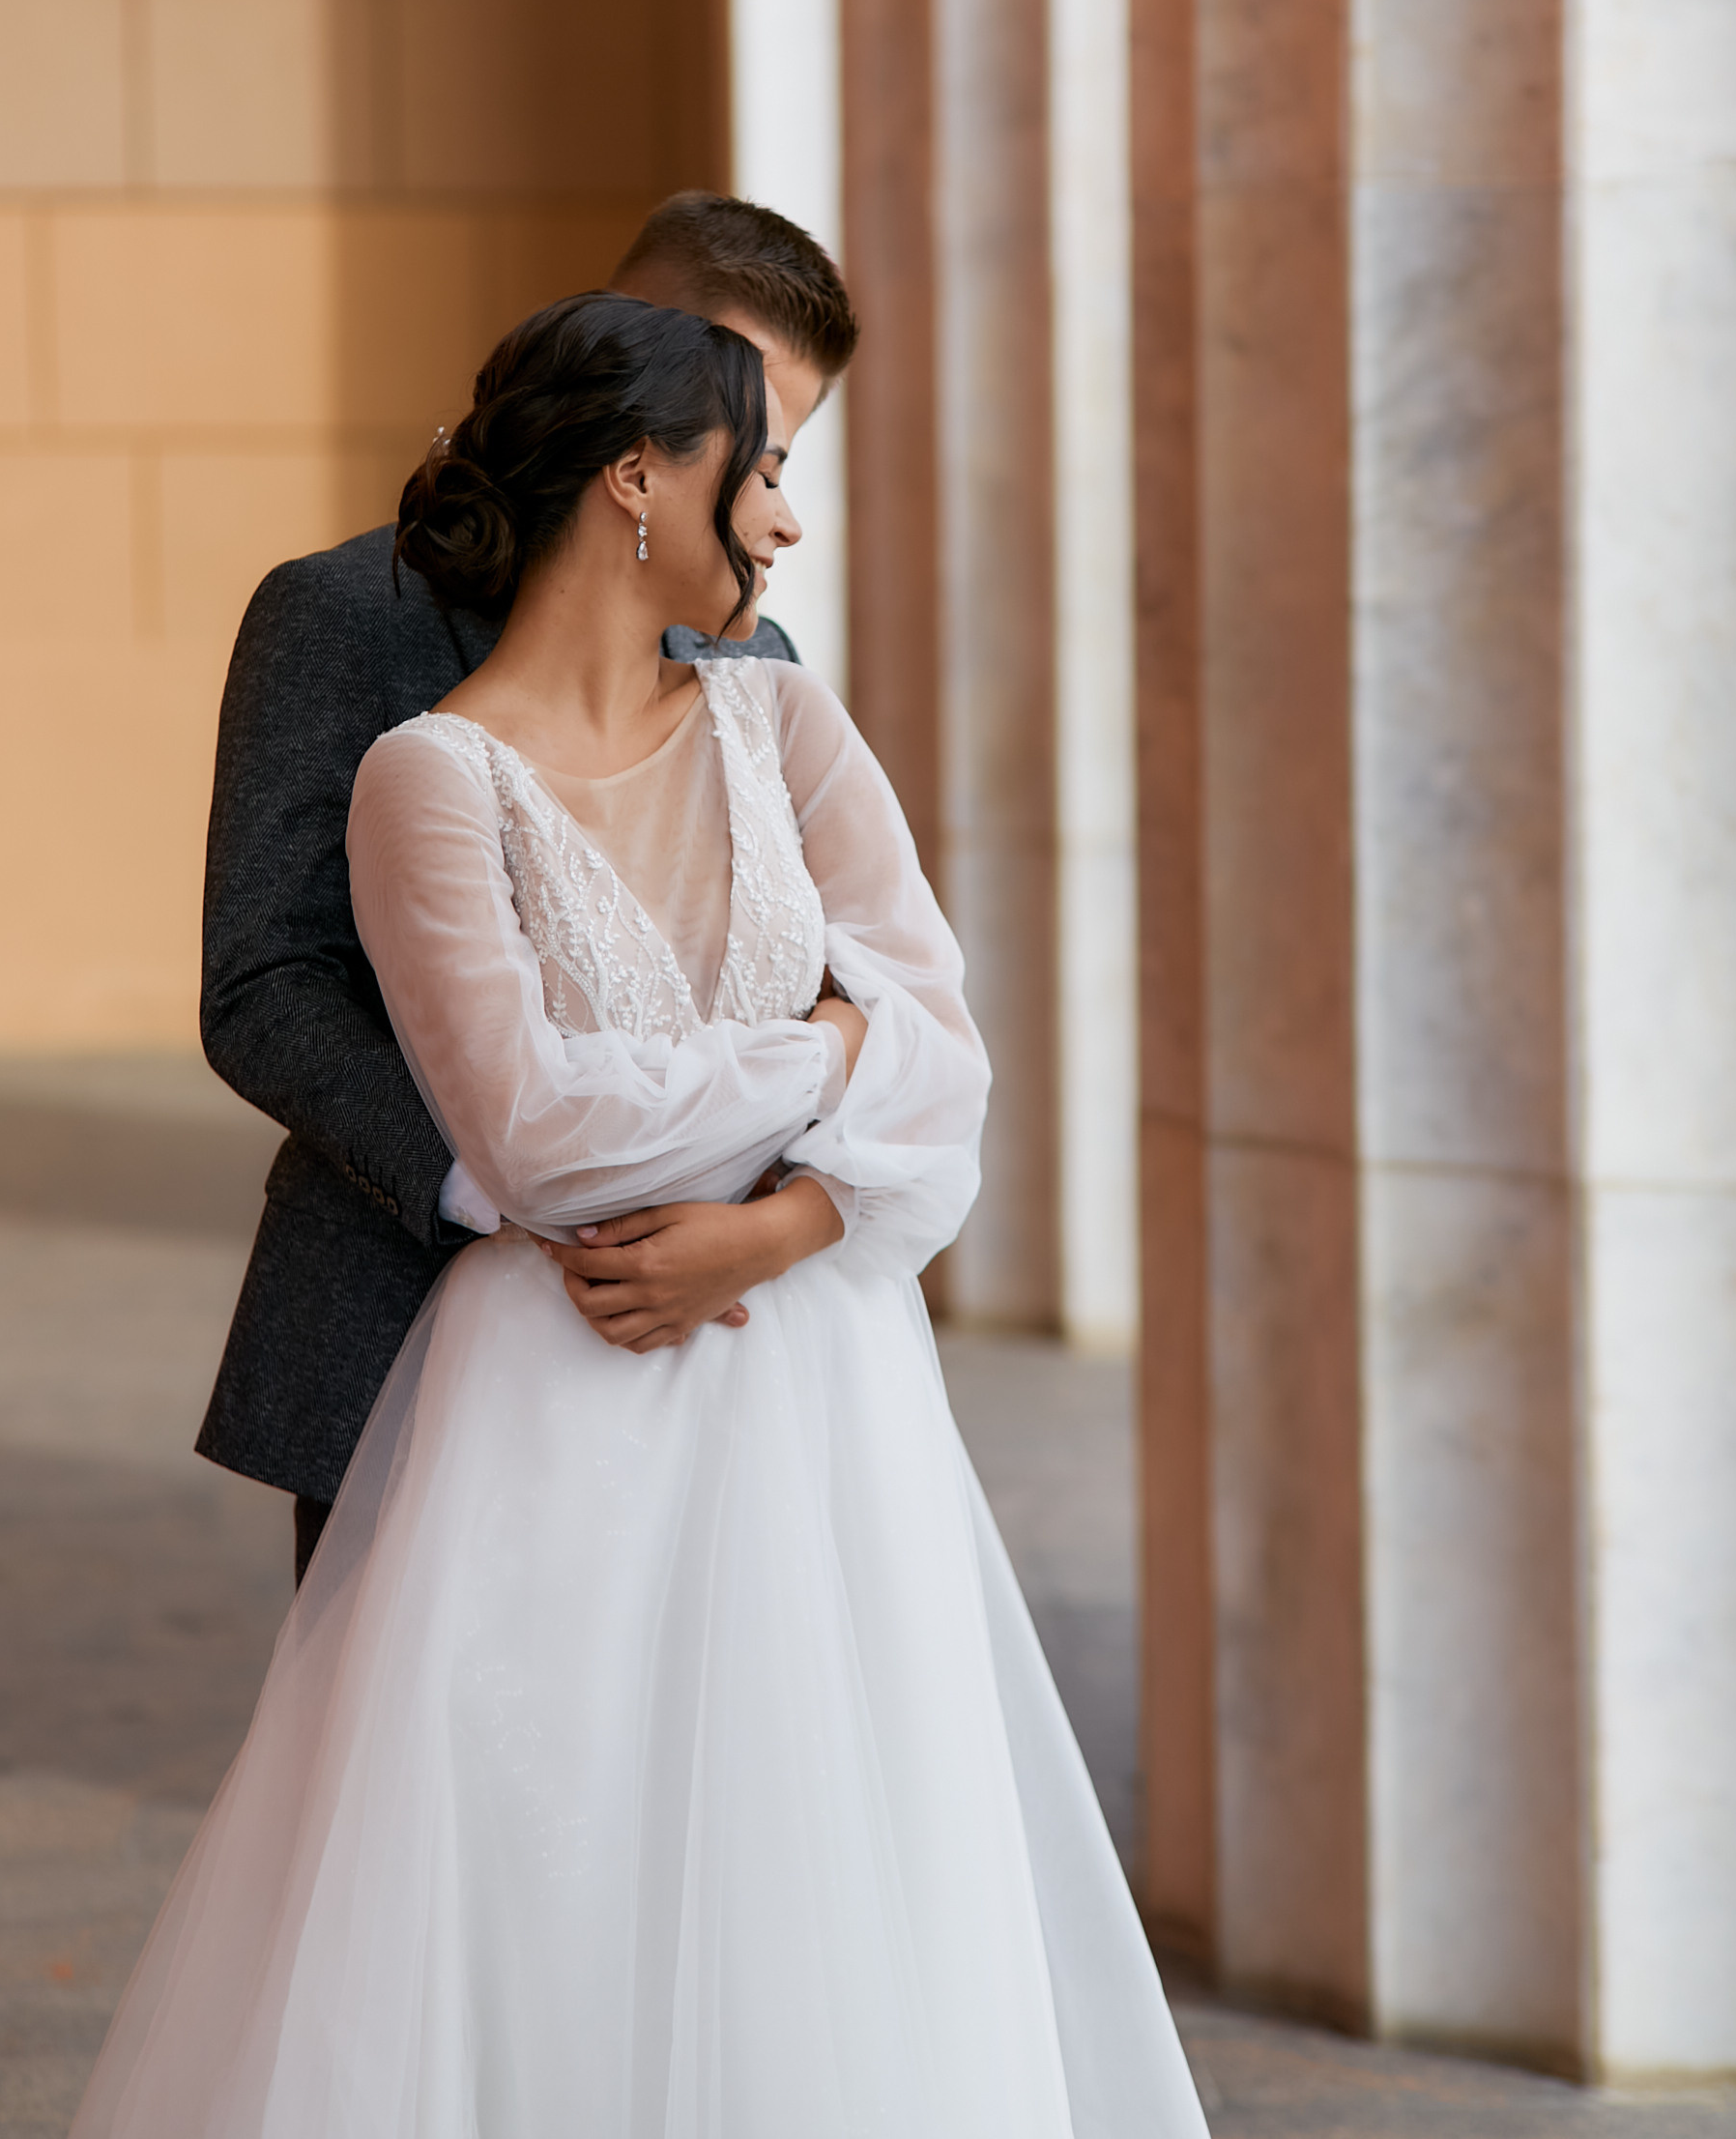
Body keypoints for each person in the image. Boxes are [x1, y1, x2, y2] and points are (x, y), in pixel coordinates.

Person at [72, 293, 1208, 2139]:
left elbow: (956, 1061)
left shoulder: (782, 716)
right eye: (758, 467)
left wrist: (782, 1218)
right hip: (546, 1380)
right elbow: (528, 1136)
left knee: (830, 1857)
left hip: (821, 1388)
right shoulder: (424, 767)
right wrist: (826, 1053)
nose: (785, 518)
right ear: (633, 477)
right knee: (533, 1859)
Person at [195, 192, 858, 1585]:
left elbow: (856, 979)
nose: (759, 492)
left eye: (780, 440)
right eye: (726, 412)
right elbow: (265, 982)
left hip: (724, 1344)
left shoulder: (764, 658)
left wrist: (766, 1226)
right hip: (398, 1305)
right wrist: (518, 1195)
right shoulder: (339, 615)